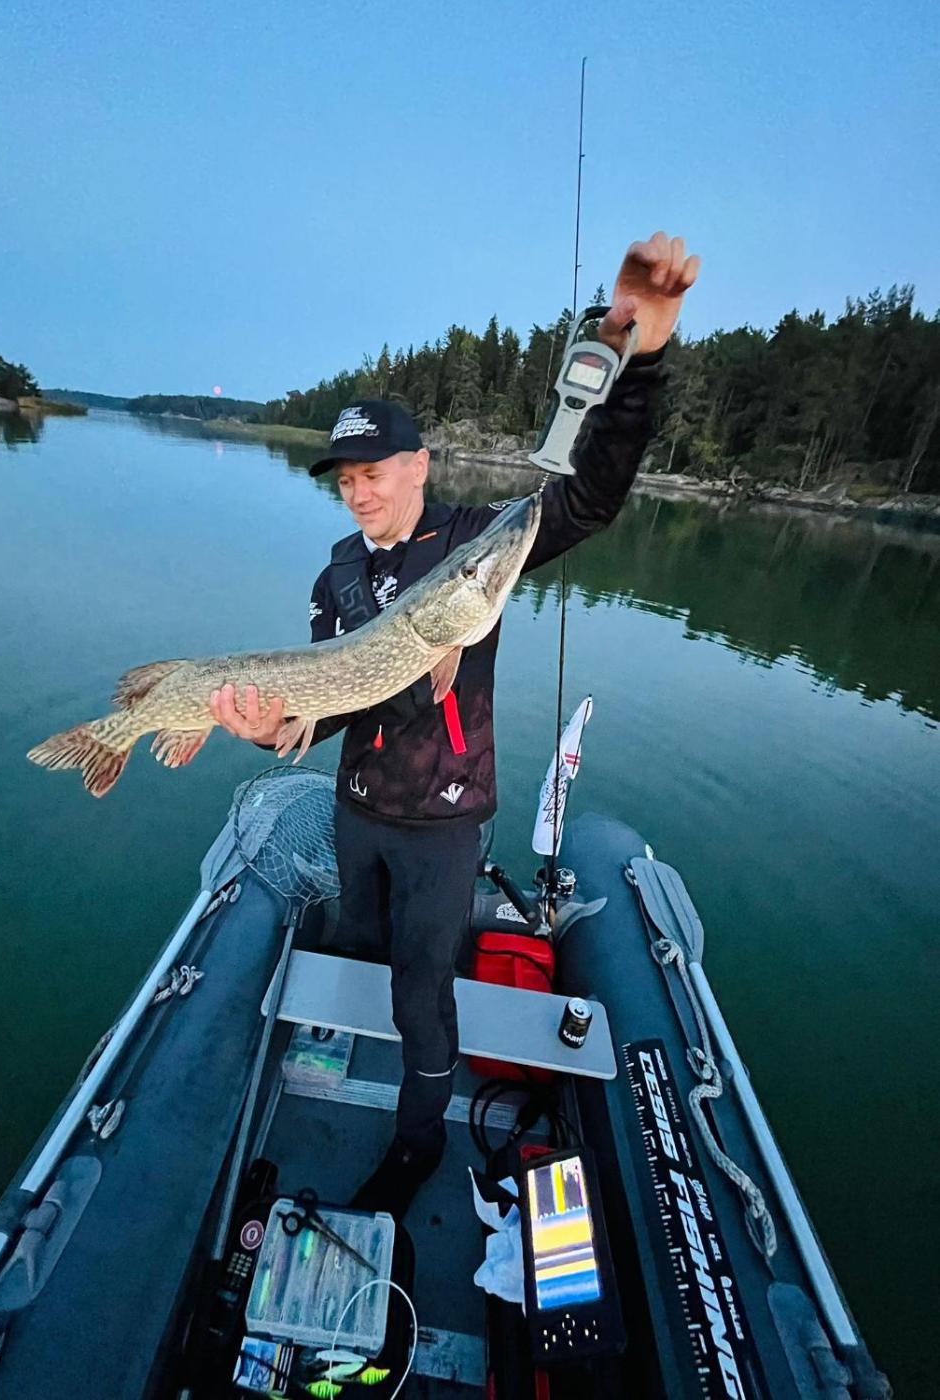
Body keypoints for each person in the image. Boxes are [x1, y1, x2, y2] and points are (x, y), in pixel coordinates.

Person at [211, 231, 699, 1218]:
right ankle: (338, 1066)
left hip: (442, 825)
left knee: (422, 991)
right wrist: (270, 730)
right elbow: (321, 709)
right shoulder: (337, 574)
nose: (358, 490)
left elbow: (590, 496)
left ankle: (418, 1141)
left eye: (374, 470)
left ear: (419, 466)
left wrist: (640, 359)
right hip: (356, 810)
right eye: (343, 478)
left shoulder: (476, 540)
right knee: (357, 942)